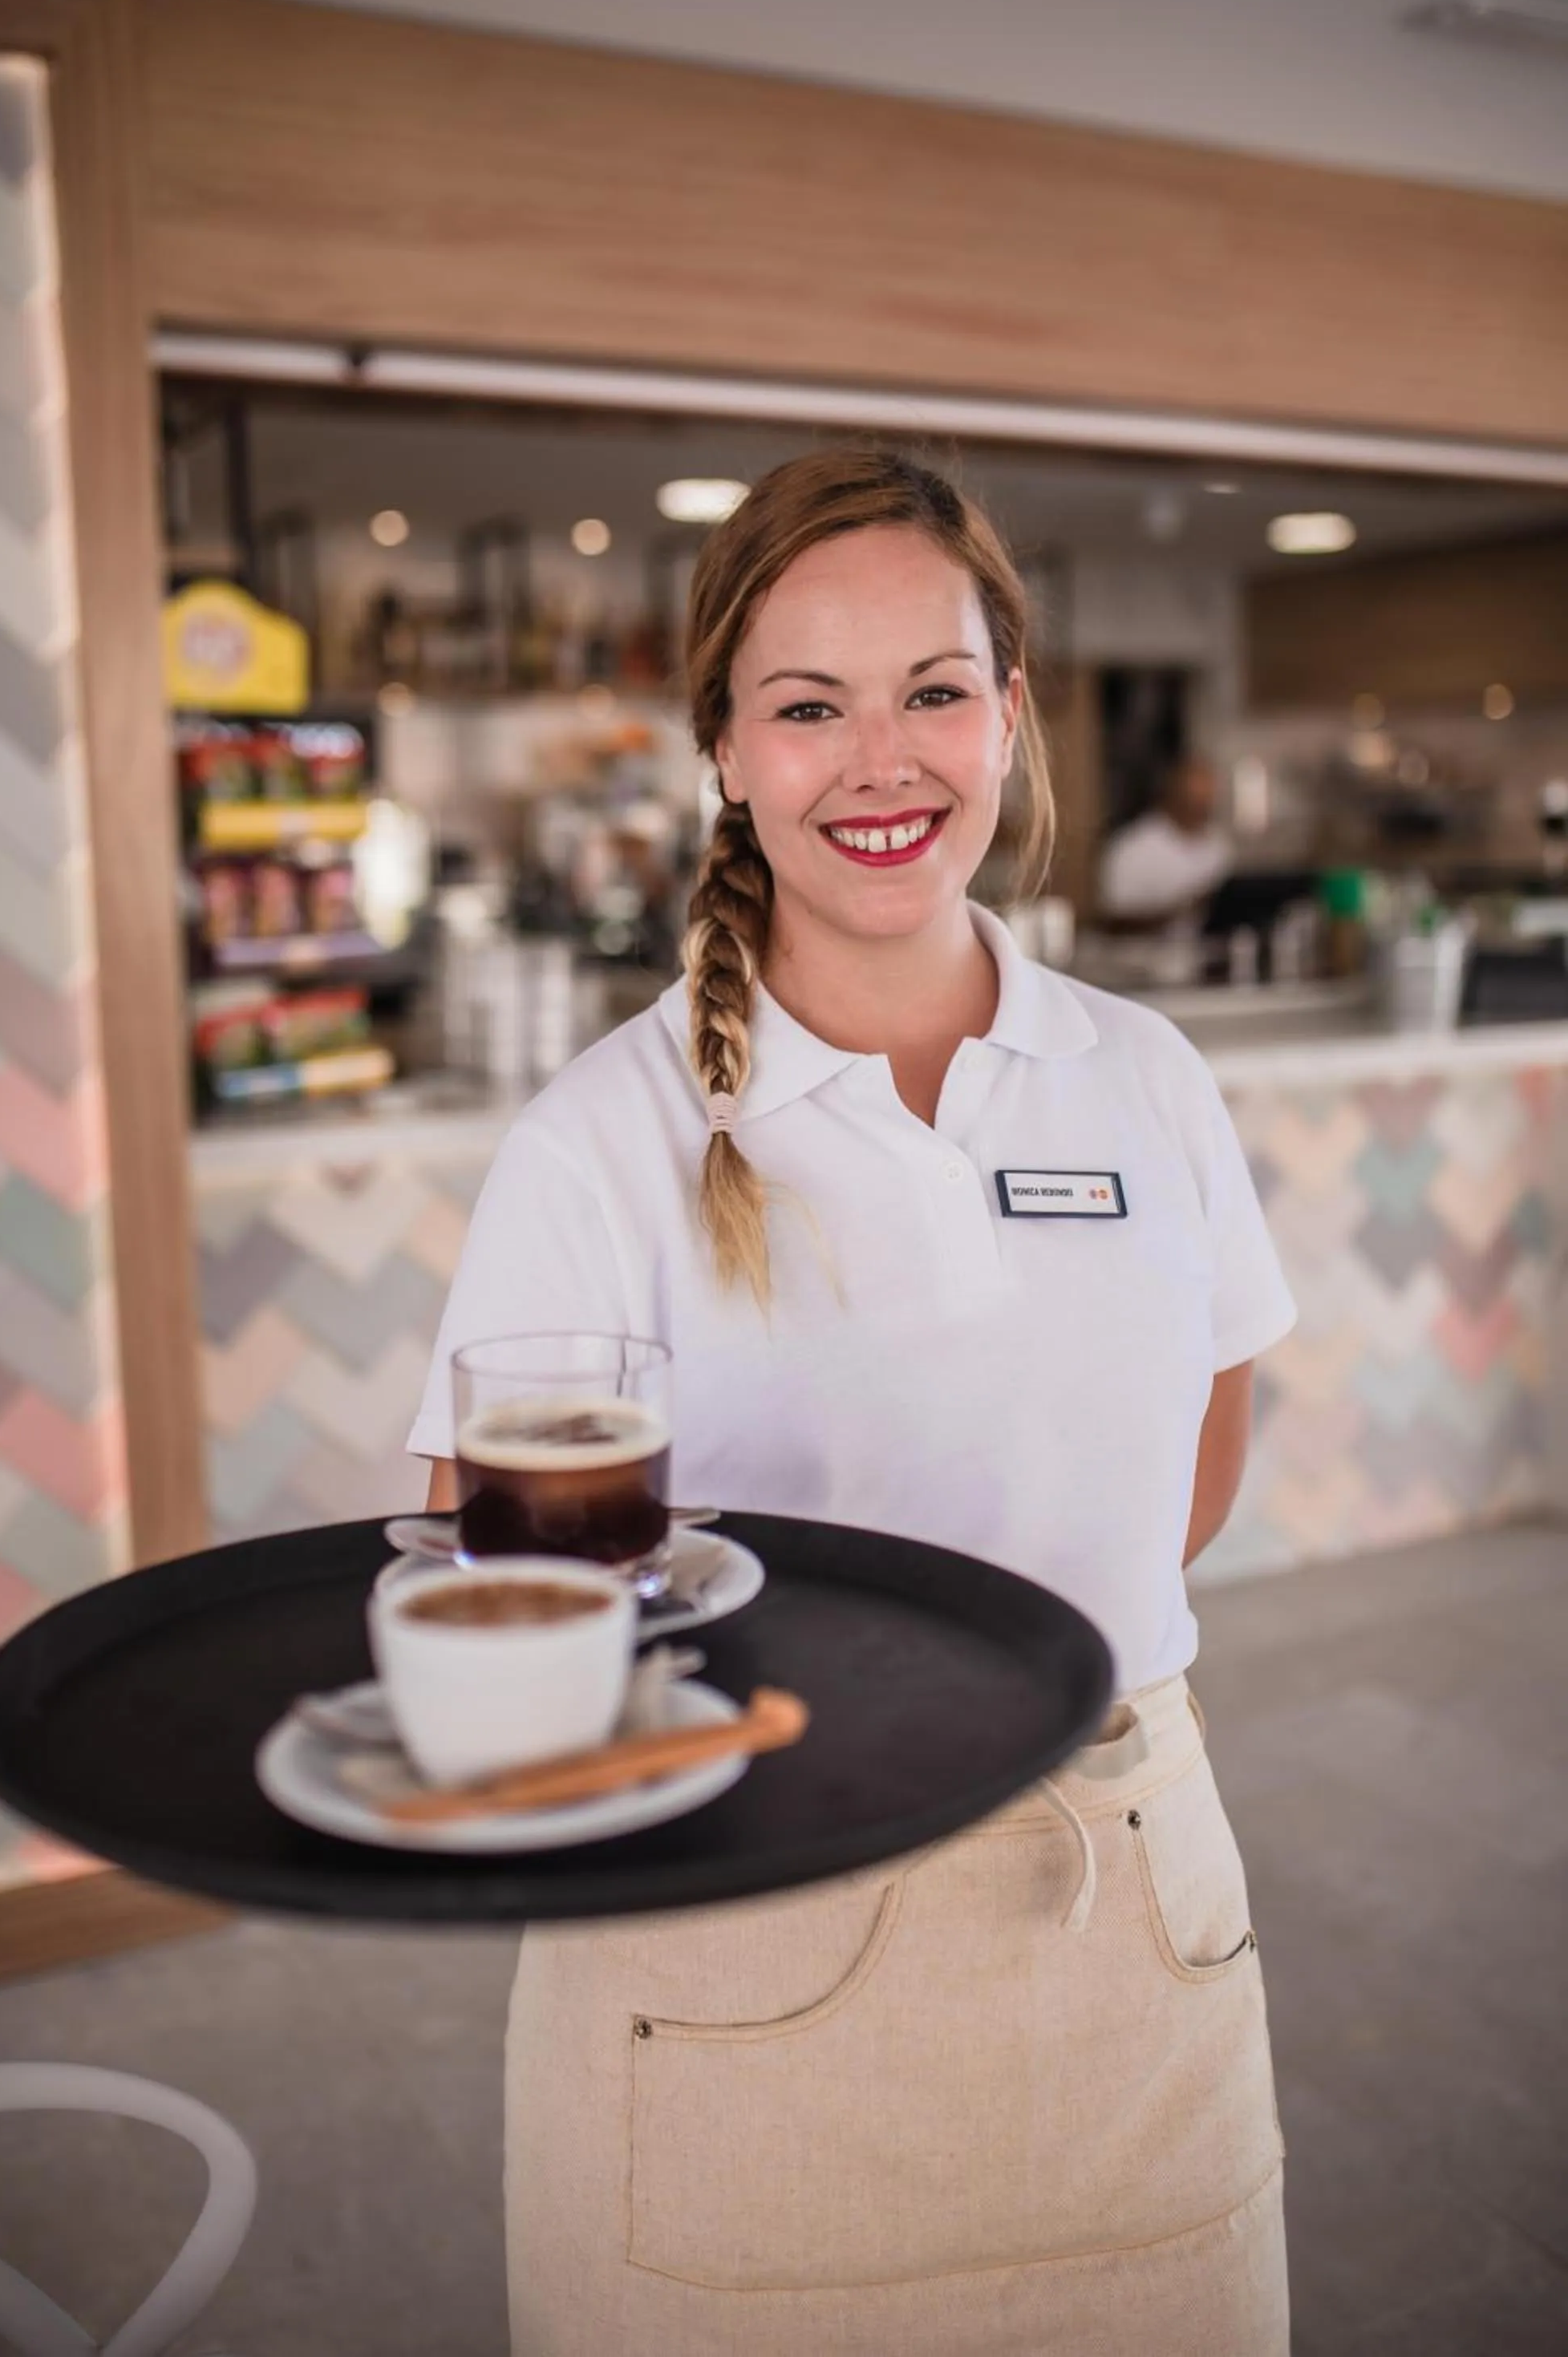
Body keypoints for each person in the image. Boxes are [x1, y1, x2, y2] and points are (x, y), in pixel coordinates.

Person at [411, 449, 1295, 2357]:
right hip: (737, 1946)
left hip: (1129, 1915)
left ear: (1008, 715)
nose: (879, 762)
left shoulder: (1142, 1077)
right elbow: (499, 1595)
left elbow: (1196, 1449)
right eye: (808, 706)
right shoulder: (599, 1142)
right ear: (725, 752)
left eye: (932, 691)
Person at [1098, 747, 1234, 932]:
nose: (1203, 804)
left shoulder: (1218, 844)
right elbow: (1113, 921)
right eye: (1194, 797)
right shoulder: (1132, 847)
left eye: (1208, 796)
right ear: (1172, 791)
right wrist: (1185, 908)